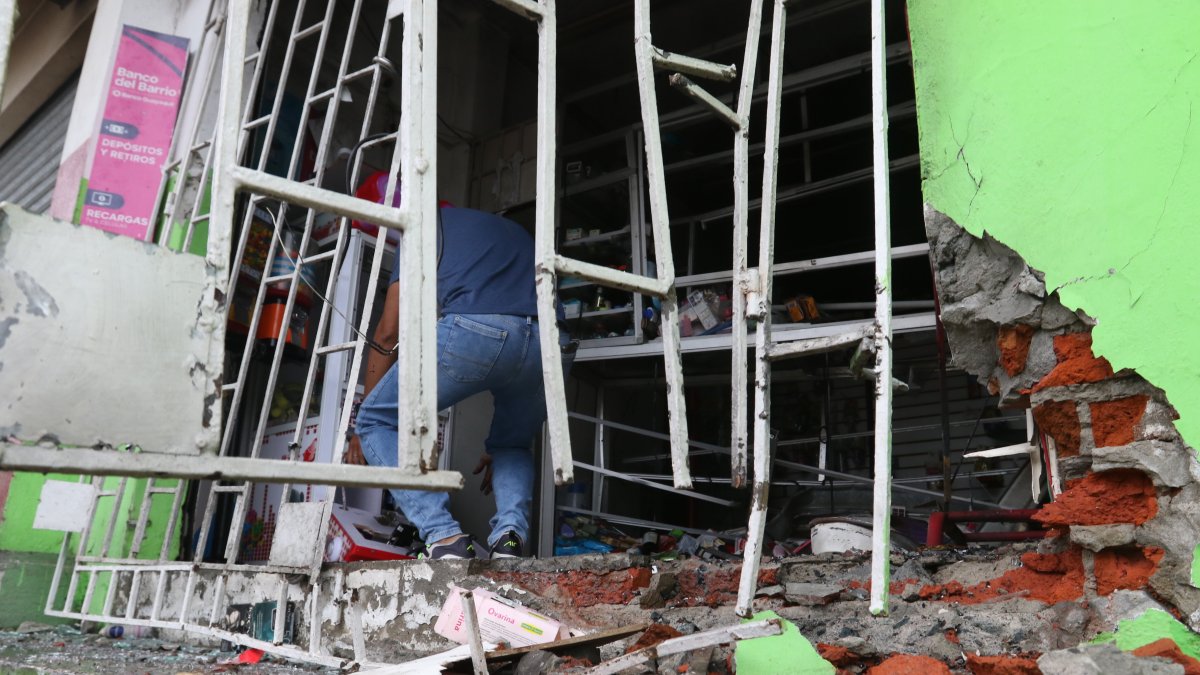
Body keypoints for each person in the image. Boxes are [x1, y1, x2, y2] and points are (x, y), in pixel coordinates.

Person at [346, 204, 573, 560]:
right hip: (553, 344)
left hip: (478, 331)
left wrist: (373, 418)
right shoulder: (505, 229)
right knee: (511, 445)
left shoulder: (419, 225)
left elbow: (389, 332)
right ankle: (509, 538)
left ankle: (444, 536)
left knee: (376, 420)